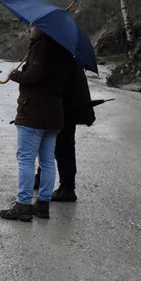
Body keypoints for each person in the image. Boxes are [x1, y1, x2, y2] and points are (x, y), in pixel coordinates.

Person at [0, 24, 73, 221]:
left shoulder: (41, 47)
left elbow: (34, 76)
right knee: (48, 160)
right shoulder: (64, 50)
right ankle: (42, 205)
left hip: (33, 113)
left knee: (26, 159)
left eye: (32, 26)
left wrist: (15, 74)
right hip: (54, 114)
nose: (29, 29)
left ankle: (23, 205)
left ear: (42, 28)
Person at [34, 63, 96, 201]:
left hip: (66, 106)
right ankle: (43, 178)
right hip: (65, 103)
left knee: (63, 145)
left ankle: (67, 188)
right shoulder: (64, 51)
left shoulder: (60, 52)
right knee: (50, 142)